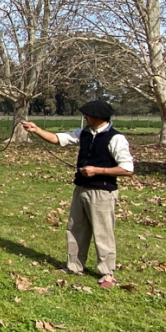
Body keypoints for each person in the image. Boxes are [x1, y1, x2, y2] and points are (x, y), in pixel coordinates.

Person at [20, 100, 134, 289]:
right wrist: (36, 130)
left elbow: (127, 169)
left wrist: (97, 171)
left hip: (103, 192)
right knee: (75, 229)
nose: (85, 117)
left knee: (102, 233)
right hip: (81, 189)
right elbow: (58, 139)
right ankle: (74, 266)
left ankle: (107, 273)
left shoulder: (116, 138)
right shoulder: (84, 133)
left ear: (99, 117)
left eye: (88, 114)